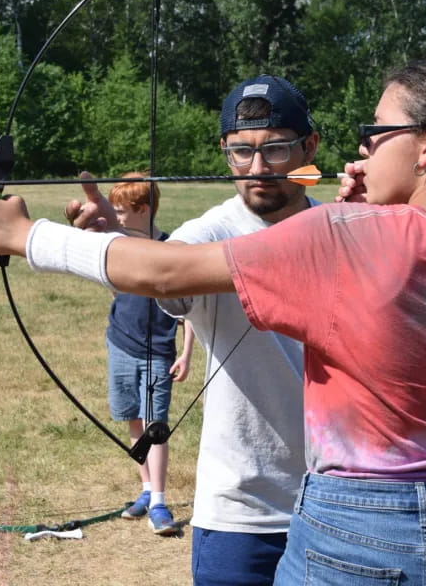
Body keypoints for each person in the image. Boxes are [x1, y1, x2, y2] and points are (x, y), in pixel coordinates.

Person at [0, 55, 426, 585]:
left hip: (359, 524)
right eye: (242, 152)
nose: (367, 145)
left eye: (379, 130)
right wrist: (370, 212)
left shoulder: (344, 235)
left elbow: (162, 273)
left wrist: (25, 236)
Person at [63, 75, 320, 585]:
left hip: (340, 507)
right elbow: (165, 272)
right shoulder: (211, 232)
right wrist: (119, 239)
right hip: (240, 515)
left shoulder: (343, 223)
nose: (258, 168)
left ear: (309, 147)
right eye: (239, 153)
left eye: (277, 149)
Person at [103, 173, 195, 535]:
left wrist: (185, 354)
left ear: (143, 209)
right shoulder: (118, 246)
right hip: (121, 346)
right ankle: (144, 490)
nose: (117, 217)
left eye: (122, 210)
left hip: (158, 353)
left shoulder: (171, 250)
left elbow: (189, 310)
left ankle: (159, 501)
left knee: (155, 428)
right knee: (133, 421)